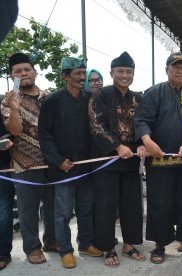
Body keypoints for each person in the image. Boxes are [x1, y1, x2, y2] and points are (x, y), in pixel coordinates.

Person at [134, 52, 182, 264]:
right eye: (176, 67)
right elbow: (141, 120)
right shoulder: (154, 92)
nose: (180, 70)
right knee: (160, 203)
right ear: (167, 70)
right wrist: (148, 142)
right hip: (159, 160)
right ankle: (159, 245)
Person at [38, 57, 103, 268]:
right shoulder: (51, 101)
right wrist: (57, 161)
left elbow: (97, 129)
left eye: (83, 73)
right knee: (63, 212)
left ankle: (85, 243)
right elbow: (44, 135)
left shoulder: (90, 98)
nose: (82, 78)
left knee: (86, 208)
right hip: (63, 168)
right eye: (77, 74)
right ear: (65, 76)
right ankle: (65, 250)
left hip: (86, 167)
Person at [89, 51, 146, 268]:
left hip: (131, 163)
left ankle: (129, 244)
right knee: (106, 206)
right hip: (106, 162)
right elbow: (96, 125)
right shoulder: (100, 95)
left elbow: (143, 123)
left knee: (132, 205)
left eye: (128, 71)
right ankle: (108, 247)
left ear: (133, 74)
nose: (124, 75)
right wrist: (117, 146)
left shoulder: (138, 98)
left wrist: (141, 143)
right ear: (112, 73)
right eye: (120, 71)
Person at [1, 52, 56, 265]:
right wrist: (14, 109)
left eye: (27, 69)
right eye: (18, 71)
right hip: (25, 163)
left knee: (52, 205)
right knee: (28, 210)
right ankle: (32, 248)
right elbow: (14, 130)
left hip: (51, 161)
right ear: (12, 75)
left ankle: (51, 241)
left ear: (34, 72)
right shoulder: (8, 100)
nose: (23, 73)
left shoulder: (49, 97)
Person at [0, 108, 14, 271]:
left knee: (3, 211)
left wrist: (6, 140)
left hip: (3, 168)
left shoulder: (4, 107)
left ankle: (2, 253)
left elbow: (11, 133)